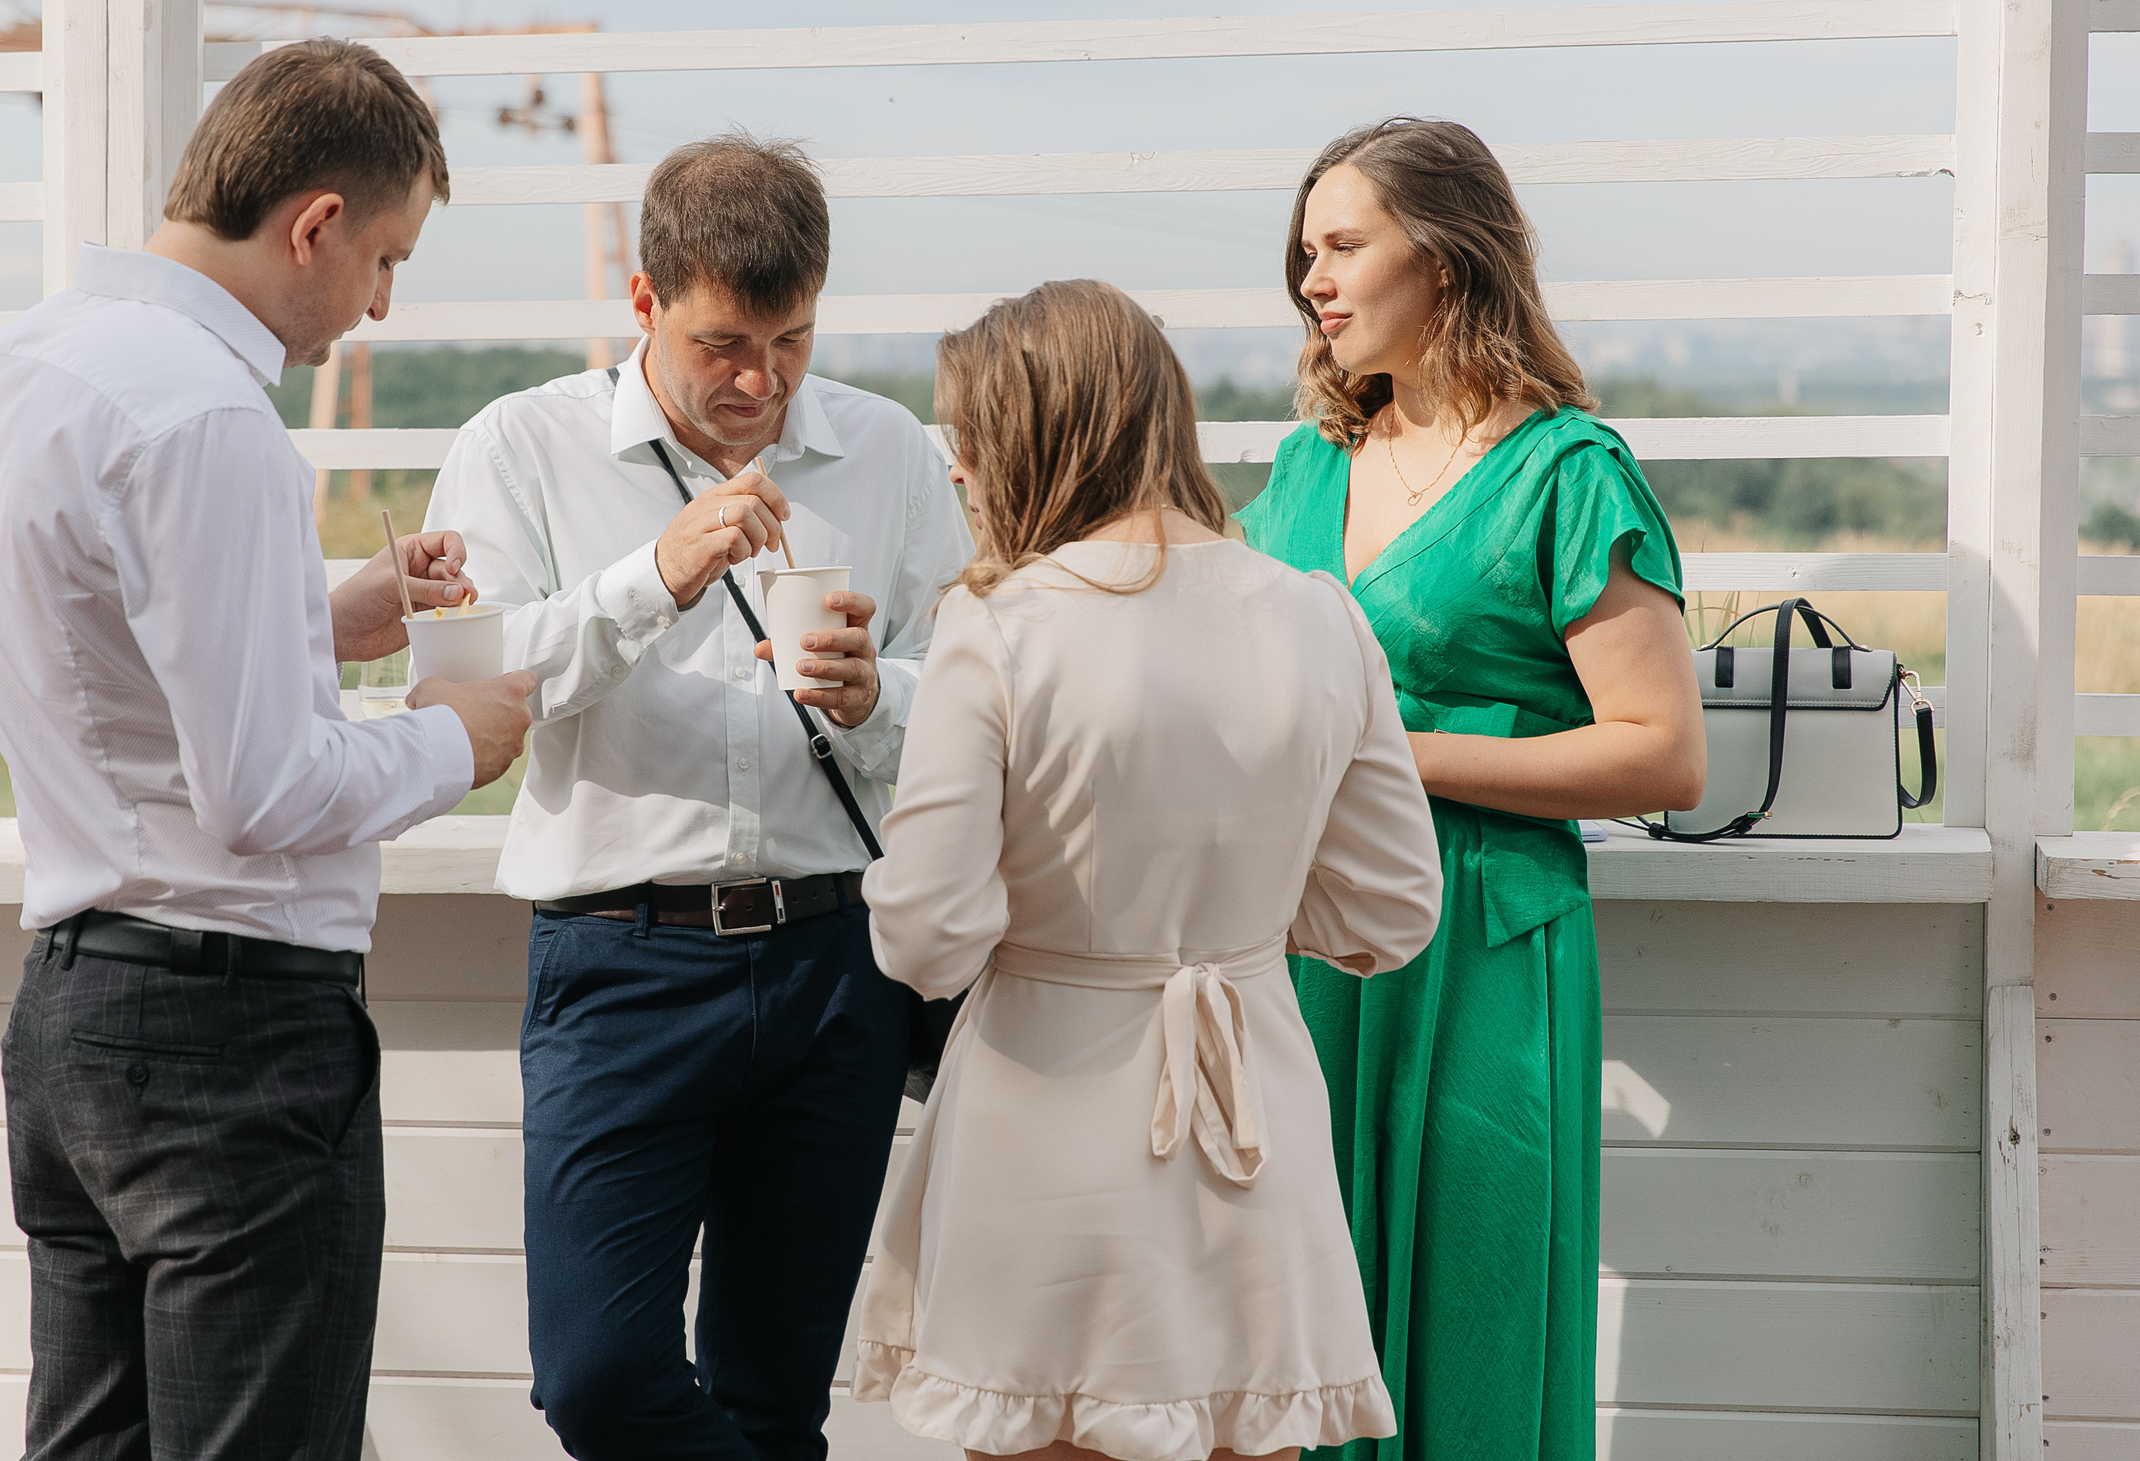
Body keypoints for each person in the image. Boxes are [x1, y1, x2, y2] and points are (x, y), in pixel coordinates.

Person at [0, 37, 536, 1461]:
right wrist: (451, 740)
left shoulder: (21, 366)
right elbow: (264, 792)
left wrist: (321, 618)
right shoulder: (212, 415)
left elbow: (100, 657)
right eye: (385, 259)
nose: (378, 305)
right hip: (232, 1041)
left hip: (73, 1016)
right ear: (315, 222)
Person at [424, 131, 974, 1460]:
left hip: (837, 964)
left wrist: (880, 697)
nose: (760, 381)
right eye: (723, 343)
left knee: (774, 1399)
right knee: (598, 1377)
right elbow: (466, 686)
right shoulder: (521, 445)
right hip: (619, 963)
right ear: (644, 299)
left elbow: (983, 689)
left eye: (791, 342)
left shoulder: (889, 453)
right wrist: (650, 580)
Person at [851, 278, 1448, 1461]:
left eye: (968, 435)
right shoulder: (1318, 616)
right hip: (1254, 1107)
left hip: (1046, 1117)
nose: (957, 468)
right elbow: (1388, 907)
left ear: (1033, 434)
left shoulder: (1001, 625)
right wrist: (1232, 918)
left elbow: (924, 939)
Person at [1235, 118, 1707, 1461]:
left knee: (1471, 1313)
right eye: (1305, 253)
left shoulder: (1569, 472)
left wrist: (1389, 750)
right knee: (1294, 1330)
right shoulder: (1307, 465)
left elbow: (1663, 753)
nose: (1312, 281)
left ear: (1444, 256)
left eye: (1342, 246)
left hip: (1485, 952)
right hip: (1301, 945)